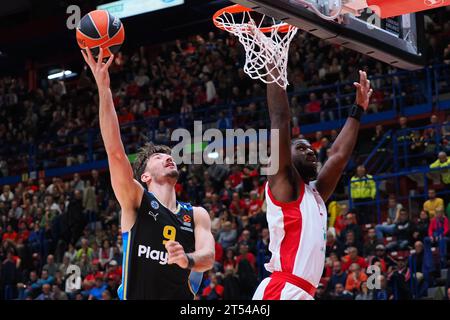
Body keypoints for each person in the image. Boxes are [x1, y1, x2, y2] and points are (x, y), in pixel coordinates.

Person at [81, 47, 214, 300]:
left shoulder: (196, 214)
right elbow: (115, 152)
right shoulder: (135, 200)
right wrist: (103, 89)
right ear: (145, 176)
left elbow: (208, 258)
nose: (167, 157)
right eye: (158, 157)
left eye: (169, 155)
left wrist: (186, 259)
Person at [252, 67, 372, 300]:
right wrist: (273, 66)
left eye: (311, 147)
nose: (310, 151)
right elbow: (280, 119)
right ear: (287, 155)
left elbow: (337, 157)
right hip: (282, 290)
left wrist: (357, 110)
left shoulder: (314, 193)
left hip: (303, 292)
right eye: (301, 148)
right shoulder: (283, 184)